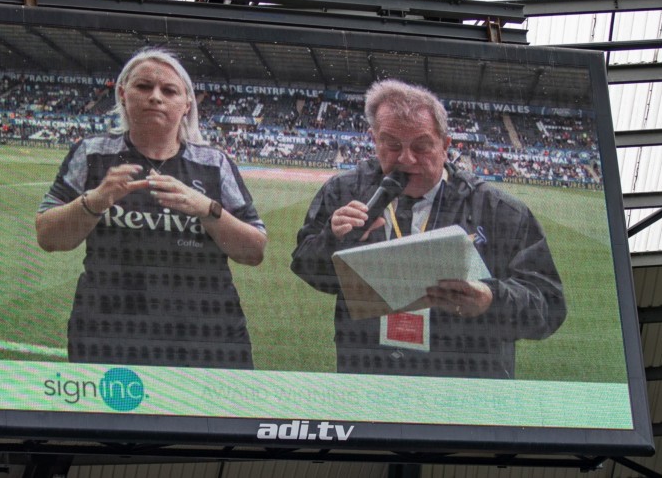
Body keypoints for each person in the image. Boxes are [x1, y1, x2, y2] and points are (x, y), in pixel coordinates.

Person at [291, 79, 565, 379]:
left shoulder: (499, 210)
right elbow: (305, 266)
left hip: (464, 382)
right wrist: (333, 240)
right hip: (368, 373)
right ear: (374, 140)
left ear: (445, 146)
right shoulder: (343, 192)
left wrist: (491, 299)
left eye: (421, 146)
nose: (406, 159)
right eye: (392, 144)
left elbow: (549, 306)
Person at [36, 48, 267, 369]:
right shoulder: (92, 154)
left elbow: (253, 251)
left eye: (169, 90)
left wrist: (207, 209)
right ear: (122, 94)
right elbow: (48, 237)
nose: (155, 97)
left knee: (211, 420)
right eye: (143, 87)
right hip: (109, 330)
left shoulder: (214, 164)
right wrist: (96, 200)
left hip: (207, 332)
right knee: (112, 420)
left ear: (187, 104)